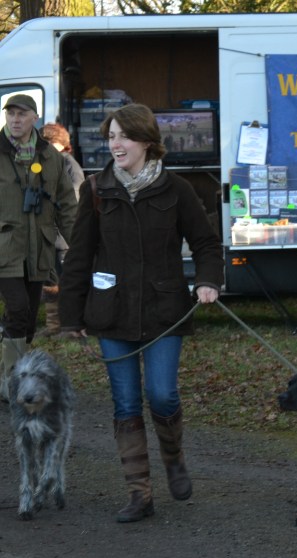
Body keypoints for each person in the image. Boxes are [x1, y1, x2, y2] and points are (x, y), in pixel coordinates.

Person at [59, 103, 224, 524]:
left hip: (164, 309)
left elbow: (205, 244)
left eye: (123, 137)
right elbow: (79, 256)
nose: (115, 144)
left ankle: (174, 460)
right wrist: (71, 316)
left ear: (147, 142)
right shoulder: (96, 190)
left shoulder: (177, 190)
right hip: (110, 312)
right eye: (110, 137)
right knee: (126, 402)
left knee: (163, 394)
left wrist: (207, 281)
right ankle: (140, 493)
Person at [0, 94, 79, 400]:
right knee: (17, 309)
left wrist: (80, 247)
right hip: (5, 247)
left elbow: (67, 207)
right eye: (11, 114)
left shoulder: (51, 156)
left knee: (29, 318)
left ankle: (13, 373)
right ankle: (12, 383)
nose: (15, 119)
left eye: (22, 114)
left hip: (39, 249)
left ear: (35, 117)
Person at [39, 121, 85, 337]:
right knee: (53, 280)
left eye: (48, 142)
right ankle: (54, 325)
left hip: (64, 234)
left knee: (68, 279)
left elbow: (74, 196)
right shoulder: (46, 163)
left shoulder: (68, 163)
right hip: (50, 233)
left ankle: (73, 326)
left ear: (59, 143)